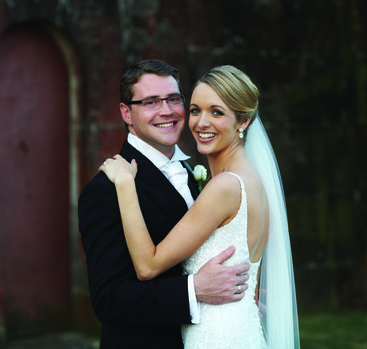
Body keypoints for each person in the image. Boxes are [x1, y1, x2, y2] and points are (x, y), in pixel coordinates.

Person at [101, 65, 301, 348]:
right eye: (195, 110)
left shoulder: (225, 187)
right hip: (241, 329)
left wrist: (124, 185)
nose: (201, 123)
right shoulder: (252, 180)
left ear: (243, 121)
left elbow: (148, 266)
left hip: (217, 337)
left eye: (217, 112)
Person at [78, 60, 250, 349]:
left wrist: (238, 292)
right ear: (126, 113)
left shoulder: (196, 174)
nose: (167, 111)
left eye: (173, 98)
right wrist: (193, 290)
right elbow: (108, 300)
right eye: (150, 102)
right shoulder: (107, 190)